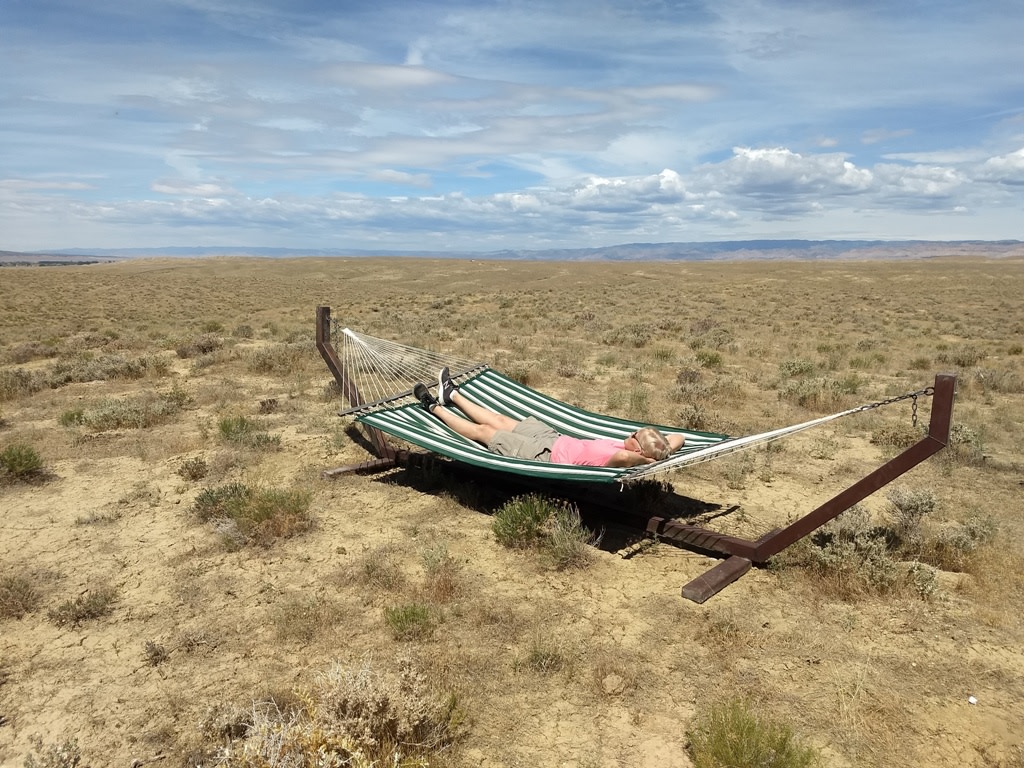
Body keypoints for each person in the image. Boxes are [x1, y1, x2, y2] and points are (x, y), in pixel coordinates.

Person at [412, 368, 684, 468]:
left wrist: (646, 459)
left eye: (634, 436)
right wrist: (664, 449)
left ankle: (434, 407)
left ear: (638, 449)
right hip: (553, 438)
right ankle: (453, 395)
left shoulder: (622, 457)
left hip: (543, 455)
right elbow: (678, 437)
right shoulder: (630, 447)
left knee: (485, 431)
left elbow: (628, 459)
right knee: (499, 418)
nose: (630, 434)